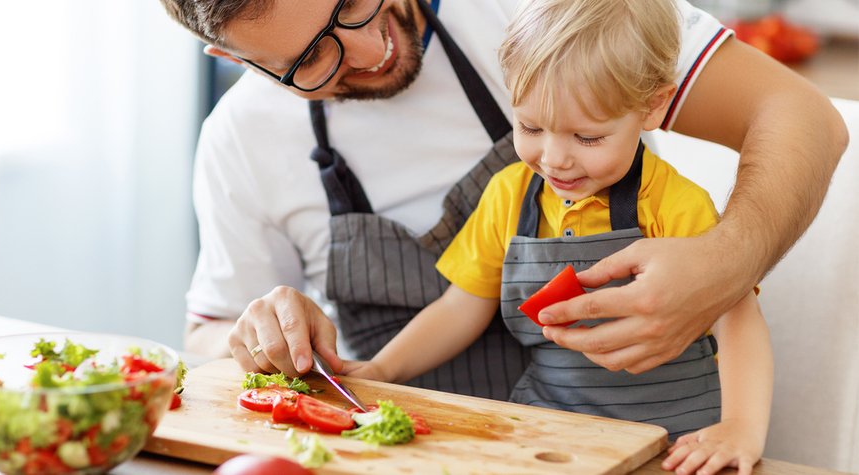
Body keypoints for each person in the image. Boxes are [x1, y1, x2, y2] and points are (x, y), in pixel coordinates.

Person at [159, 0, 845, 396]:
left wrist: (726, 264)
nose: (368, 48)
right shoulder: (240, 139)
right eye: (312, 58)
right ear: (231, 59)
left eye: (353, 0)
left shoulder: (544, 11)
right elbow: (206, 335)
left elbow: (802, 116)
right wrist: (256, 334)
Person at [343, 1, 772, 472]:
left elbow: (737, 318)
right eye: (530, 127)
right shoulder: (508, 195)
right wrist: (381, 371)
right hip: (550, 434)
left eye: (587, 138)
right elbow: (458, 306)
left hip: (676, 443)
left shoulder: (673, 203)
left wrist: (740, 428)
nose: (554, 159)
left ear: (652, 107)